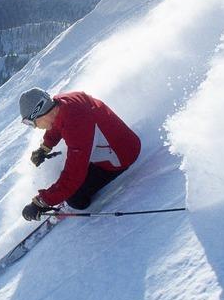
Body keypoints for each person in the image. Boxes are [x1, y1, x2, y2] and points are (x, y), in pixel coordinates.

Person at [19, 87, 141, 221]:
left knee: (74, 198)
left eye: (31, 123)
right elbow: (58, 124)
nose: (35, 127)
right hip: (123, 142)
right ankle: (62, 192)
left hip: (121, 156)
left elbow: (74, 174)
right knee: (66, 177)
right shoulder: (62, 103)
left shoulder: (76, 125)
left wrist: (42, 201)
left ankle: (70, 203)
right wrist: (45, 147)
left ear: (40, 112)